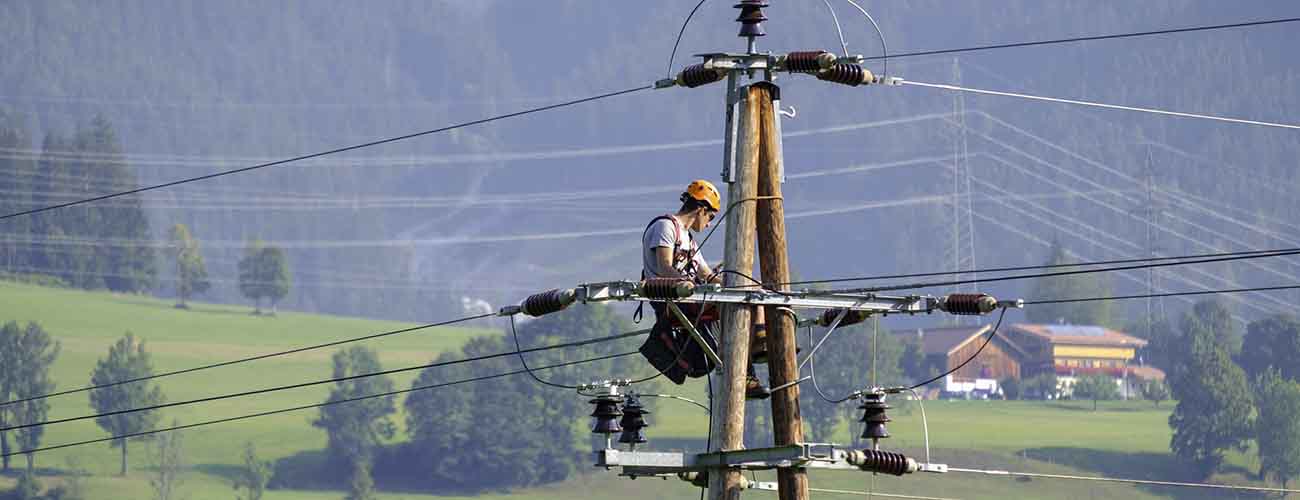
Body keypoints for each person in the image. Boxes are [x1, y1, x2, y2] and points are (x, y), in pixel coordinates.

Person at [638, 179, 769, 399]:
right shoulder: (665, 226)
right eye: (710, 217)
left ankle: (760, 342)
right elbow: (665, 267)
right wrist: (688, 284)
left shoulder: (689, 240)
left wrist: (737, 285)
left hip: (692, 299)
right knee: (734, 309)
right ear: (700, 209)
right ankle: (749, 365)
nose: (708, 224)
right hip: (673, 301)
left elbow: (706, 273)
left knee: (748, 296)